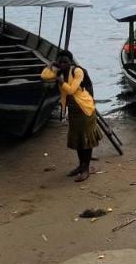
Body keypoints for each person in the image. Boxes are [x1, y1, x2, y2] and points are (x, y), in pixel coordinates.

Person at [41, 54, 99, 182]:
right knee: (77, 139)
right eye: (60, 62)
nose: (63, 64)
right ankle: (80, 165)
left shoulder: (77, 71)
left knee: (86, 140)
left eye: (65, 62)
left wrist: (61, 82)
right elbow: (44, 76)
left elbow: (72, 90)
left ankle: (86, 169)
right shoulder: (60, 72)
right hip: (73, 110)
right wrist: (50, 66)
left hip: (85, 108)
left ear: (70, 62)